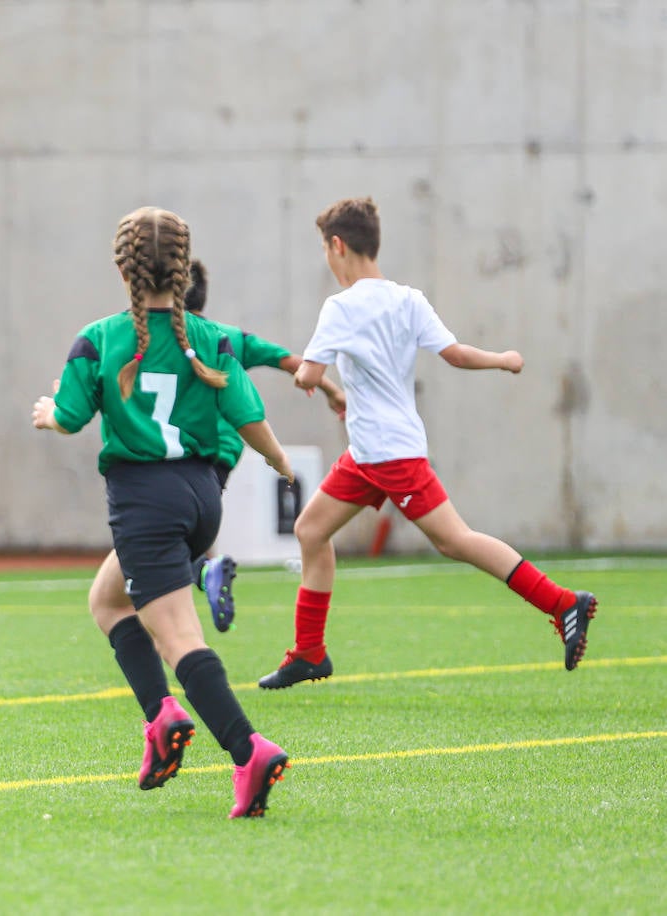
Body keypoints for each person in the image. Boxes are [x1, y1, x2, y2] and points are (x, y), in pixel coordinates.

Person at [258, 196, 597, 689]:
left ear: (337, 246)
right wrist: (502, 358)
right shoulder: (408, 298)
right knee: (311, 530)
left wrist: (310, 377)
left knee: (454, 541)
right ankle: (309, 652)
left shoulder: (340, 307)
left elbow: (307, 374)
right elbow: (455, 354)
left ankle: (564, 602)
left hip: (390, 456)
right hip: (370, 454)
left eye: (324, 250)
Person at [32, 206, 295, 818]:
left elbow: (69, 418)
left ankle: (248, 749)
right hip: (202, 497)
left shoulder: (98, 338)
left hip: (146, 503)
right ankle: (163, 715)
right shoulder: (210, 338)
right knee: (107, 600)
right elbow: (248, 416)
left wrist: (47, 414)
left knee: (178, 637)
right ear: (181, 267)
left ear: (123, 267)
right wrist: (281, 463)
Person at [181, 258, 347, 631]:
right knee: (190, 525)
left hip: (182, 451)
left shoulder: (160, 339)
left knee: (160, 545)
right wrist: (332, 390)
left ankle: (200, 578)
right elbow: (289, 360)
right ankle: (208, 569)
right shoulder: (229, 337)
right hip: (224, 454)